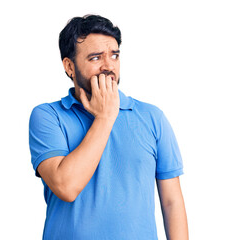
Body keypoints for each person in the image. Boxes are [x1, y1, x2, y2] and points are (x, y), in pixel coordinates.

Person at [29, 14, 188, 240]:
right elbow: (66, 186)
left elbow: (172, 203)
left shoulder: (152, 117)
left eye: (114, 55)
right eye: (95, 58)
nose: (108, 66)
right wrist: (105, 117)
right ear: (69, 66)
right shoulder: (47, 116)